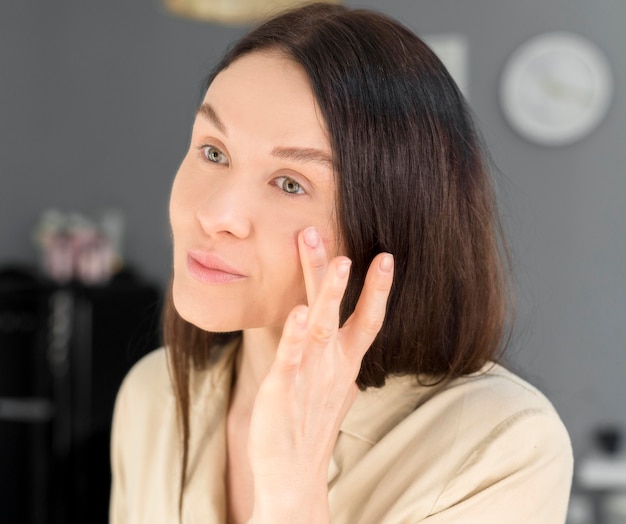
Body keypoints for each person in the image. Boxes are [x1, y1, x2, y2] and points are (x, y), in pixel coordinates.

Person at [109, 3, 573, 523]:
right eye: (213, 152)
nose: (215, 215)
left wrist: (292, 488)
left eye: (290, 184)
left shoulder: (499, 445)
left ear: (391, 222)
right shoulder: (154, 398)